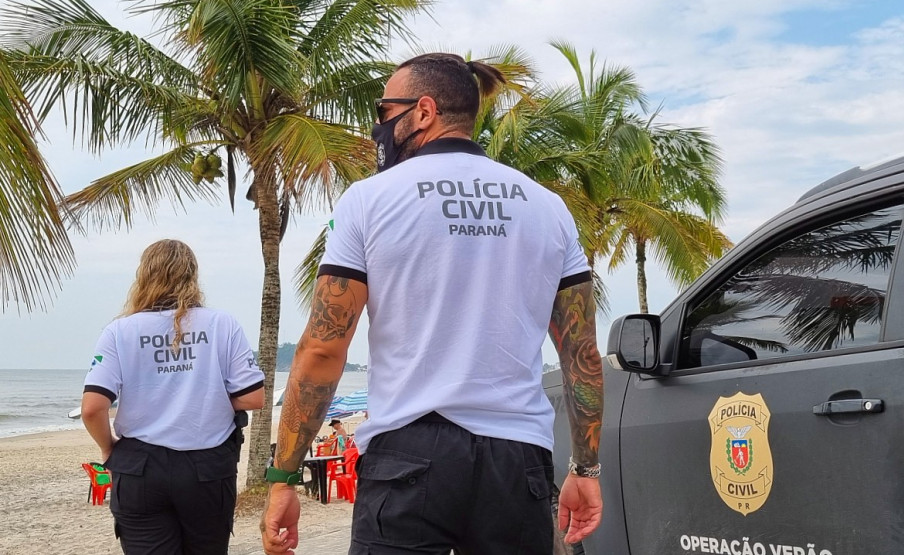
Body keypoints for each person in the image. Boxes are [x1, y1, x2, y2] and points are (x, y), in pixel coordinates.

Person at [261, 53, 604, 555]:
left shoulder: (370, 200)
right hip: (517, 461)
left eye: (384, 112)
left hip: (407, 455)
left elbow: (322, 349)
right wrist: (586, 469)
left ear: (423, 111)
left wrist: (283, 477)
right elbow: (582, 356)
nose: (378, 127)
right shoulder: (547, 208)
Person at [81, 239, 265, 554]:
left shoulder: (119, 332)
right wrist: (206, 396)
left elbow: (92, 408)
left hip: (140, 468)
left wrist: (108, 449)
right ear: (193, 277)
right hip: (207, 468)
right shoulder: (222, 324)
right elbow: (253, 397)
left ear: (144, 277)